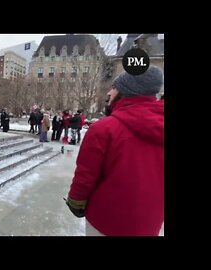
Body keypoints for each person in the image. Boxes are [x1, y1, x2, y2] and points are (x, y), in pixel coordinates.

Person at [65, 66, 164, 236]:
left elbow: (86, 174)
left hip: (107, 220)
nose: (109, 93)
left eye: (114, 88)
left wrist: (76, 201)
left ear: (126, 91)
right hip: (149, 222)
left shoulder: (104, 128)